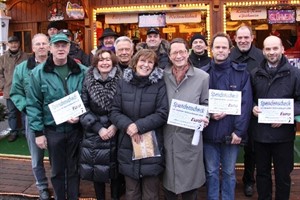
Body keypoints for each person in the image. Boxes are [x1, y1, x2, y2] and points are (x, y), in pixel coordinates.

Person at [26, 33, 87, 200]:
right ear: (50, 48)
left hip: (76, 129)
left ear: (69, 48)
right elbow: (33, 104)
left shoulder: (82, 71)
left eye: (64, 45)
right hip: (53, 130)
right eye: (57, 45)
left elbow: (88, 100)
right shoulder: (38, 73)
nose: (61, 48)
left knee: (74, 169)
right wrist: (38, 133)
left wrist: (81, 116)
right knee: (57, 170)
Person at [110, 49, 168, 199]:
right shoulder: (123, 83)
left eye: (150, 62)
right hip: (128, 145)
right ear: (135, 63)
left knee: (151, 193)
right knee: (132, 192)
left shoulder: (159, 84)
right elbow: (114, 111)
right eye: (143, 61)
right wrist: (128, 126)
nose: (146, 65)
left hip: (151, 145)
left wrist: (139, 126)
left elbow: (162, 113)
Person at [201, 32, 253, 200]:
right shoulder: (202, 74)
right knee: (211, 171)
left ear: (230, 50)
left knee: (230, 172)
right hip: (209, 131)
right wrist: (208, 113)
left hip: (231, 133)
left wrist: (239, 131)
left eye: (224, 47)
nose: (221, 50)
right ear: (211, 50)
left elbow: (246, 104)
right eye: (217, 47)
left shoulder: (241, 73)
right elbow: (196, 101)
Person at [251, 35, 300, 200]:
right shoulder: (255, 73)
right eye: (268, 49)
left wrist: (286, 114)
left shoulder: (295, 73)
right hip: (260, 134)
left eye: (275, 48)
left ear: (282, 49)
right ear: (263, 51)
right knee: (262, 174)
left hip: (283, 135)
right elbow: (247, 98)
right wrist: (252, 107)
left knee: (283, 175)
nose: (272, 52)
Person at [163, 38, 209, 200]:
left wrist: (205, 116)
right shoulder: (162, 76)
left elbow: (206, 103)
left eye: (182, 51)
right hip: (167, 137)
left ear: (188, 52)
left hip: (190, 138)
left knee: (190, 188)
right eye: (174, 52)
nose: (178, 56)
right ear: (169, 56)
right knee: (168, 185)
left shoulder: (202, 77)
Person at [10, 33, 50, 200]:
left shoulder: (58, 65)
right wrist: (28, 108)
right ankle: (42, 186)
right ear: (32, 48)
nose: (41, 46)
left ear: (49, 46)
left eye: (44, 43)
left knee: (57, 155)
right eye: (38, 44)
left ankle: (60, 183)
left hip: (54, 117)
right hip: (32, 117)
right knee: (36, 156)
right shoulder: (22, 68)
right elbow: (16, 93)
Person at [79, 49, 123, 200]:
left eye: (108, 59)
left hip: (116, 131)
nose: (104, 62)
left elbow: (126, 106)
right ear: (96, 63)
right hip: (94, 133)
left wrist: (115, 126)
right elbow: (82, 107)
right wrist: (98, 128)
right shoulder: (88, 80)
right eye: (101, 59)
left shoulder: (122, 79)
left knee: (116, 173)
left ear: (113, 62)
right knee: (97, 172)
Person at [229, 25, 265, 197]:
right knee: (228, 145)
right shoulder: (228, 56)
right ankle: (228, 178)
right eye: (240, 37)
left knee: (251, 149)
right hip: (230, 110)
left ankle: (249, 180)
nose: (243, 40)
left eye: (246, 37)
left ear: (252, 37)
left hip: (253, 111)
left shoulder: (261, 56)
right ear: (235, 38)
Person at [0, 35, 28, 142]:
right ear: (8, 44)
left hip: (23, 91)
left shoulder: (26, 56)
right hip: (9, 90)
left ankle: (26, 132)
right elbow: (0, 74)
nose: (13, 44)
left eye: (15, 42)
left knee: (25, 111)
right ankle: (14, 132)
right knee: (12, 113)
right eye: (11, 43)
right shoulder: (2, 58)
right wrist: (3, 85)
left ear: (19, 44)